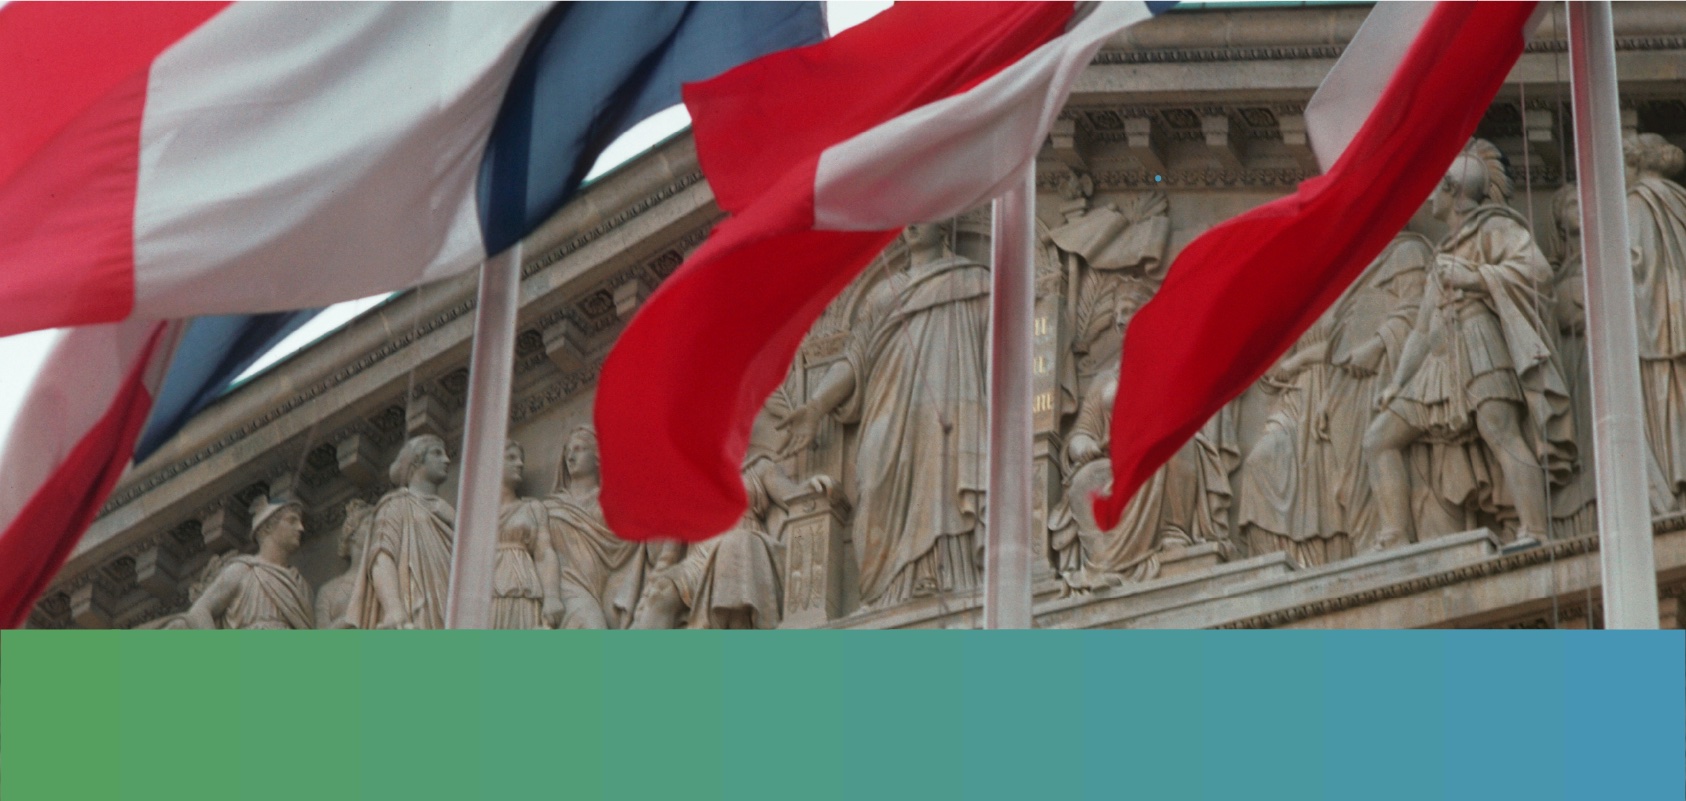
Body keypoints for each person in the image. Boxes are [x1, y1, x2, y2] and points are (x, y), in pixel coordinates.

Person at [1365, 139, 1574, 548]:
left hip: (1482, 345)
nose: (1427, 201)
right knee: (1378, 438)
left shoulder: (1496, 227)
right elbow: (1423, 331)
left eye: (1433, 189)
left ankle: (1535, 529)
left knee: (1499, 430)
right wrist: (1397, 384)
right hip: (1439, 359)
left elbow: (1536, 273)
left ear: (1452, 190)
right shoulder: (1442, 249)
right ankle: (1394, 537)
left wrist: (1475, 278)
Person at [781, 220, 990, 608]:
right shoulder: (880, 295)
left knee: (942, 475)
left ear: (943, 223)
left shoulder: (974, 280)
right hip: (885, 408)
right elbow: (853, 359)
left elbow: (997, 352)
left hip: (950, 403)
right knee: (874, 482)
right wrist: (816, 406)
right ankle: (886, 593)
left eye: (922, 214)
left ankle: (945, 577)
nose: (910, 224)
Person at [1626, 133, 1686, 513]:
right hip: (1677, 319)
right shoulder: (1680, 200)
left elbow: (1630, 263)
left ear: (1632, 165)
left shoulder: (1636, 202)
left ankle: (1675, 483)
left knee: (1665, 403)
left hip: (1655, 325)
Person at [348, 434, 456, 629]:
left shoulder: (448, 511)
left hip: (451, 600)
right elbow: (381, 556)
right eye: (437, 453)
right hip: (417, 604)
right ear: (416, 461)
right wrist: (393, 607)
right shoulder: (395, 505)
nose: (446, 460)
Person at [545, 426, 647, 629]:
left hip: (608, 582)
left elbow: (636, 539)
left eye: (579, 449)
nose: (571, 457)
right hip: (567, 585)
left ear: (599, 455)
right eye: (568, 452)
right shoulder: (549, 508)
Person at [171, 496, 313, 630]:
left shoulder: (301, 585)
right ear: (268, 526)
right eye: (292, 521)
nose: (301, 528)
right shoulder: (243, 570)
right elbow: (199, 611)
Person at [495, 440, 564, 629]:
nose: (520, 464)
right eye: (511, 457)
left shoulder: (533, 508)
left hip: (522, 588)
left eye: (521, 459)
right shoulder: (475, 514)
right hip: (485, 591)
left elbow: (544, 553)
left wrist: (552, 597)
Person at [314, 499, 373, 629]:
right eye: (369, 524)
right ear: (353, 534)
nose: (377, 530)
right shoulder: (329, 591)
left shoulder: (385, 582)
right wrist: (349, 619)